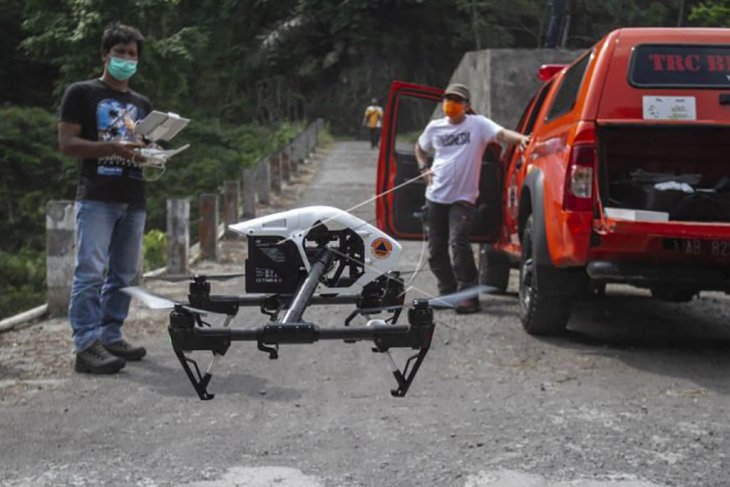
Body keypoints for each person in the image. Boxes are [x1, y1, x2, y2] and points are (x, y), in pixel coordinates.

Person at [58, 22, 153, 374]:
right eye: (121, 53)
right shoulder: (81, 93)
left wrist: (153, 153)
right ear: (105, 55)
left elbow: (146, 148)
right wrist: (109, 148)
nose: (127, 60)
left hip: (134, 196)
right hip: (97, 196)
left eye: (132, 55)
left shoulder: (142, 104)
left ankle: (111, 334)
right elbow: (67, 144)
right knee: (90, 272)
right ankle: (85, 343)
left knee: (124, 274)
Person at [415, 83, 529, 314]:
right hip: (435, 197)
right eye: (448, 99)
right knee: (435, 250)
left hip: (463, 198)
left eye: (456, 100)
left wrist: (523, 139)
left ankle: (468, 295)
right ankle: (447, 292)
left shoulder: (477, 125)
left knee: (459, 244)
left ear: (467, 106)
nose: (451, 104)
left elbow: (502, 133)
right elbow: (420, 147)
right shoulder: (435, 127)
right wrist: (423, 167)